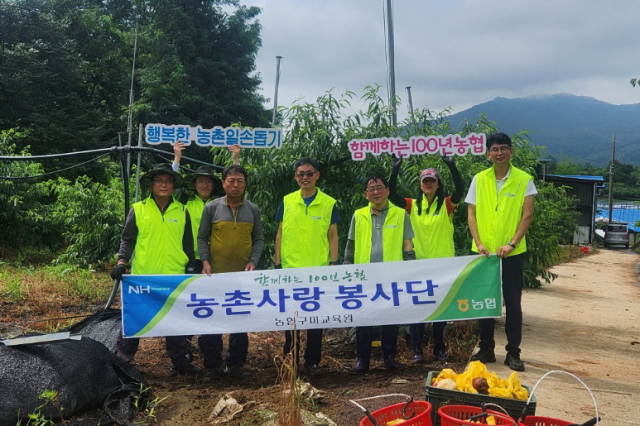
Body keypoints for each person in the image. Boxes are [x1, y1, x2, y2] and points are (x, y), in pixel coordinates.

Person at [111, 163, 199, 375]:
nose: (163, 185)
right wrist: (122, 262)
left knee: (176, 320)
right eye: (159, 181)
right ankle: (121, 362)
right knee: (135, 318)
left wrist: (190, 264)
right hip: (144, 276)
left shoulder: (183, 210)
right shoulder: (139, 209)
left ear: (174, 185)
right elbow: (127, 239)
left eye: (168, 181)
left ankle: (180, 362)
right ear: (151, 185)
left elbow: (187, 243)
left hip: (173, 275)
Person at [465, 132, 537, 372]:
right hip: (484, 253)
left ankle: (513, 352)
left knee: (513, 303)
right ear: (488, 153)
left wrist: (512, 243)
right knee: (484, 302)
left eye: (503, 148)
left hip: (512, 253)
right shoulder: (479, 179)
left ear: (511, 152)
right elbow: (471, 214)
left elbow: (527, 215)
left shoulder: (524, 180)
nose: (499, 153)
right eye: (494, 149)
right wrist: (479, 243)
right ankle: (486, 348)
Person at [388, 155, 464, 363]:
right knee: (417, 309)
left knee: (441, 311)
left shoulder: (447, 204)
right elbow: (392, 194)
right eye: (425, 181)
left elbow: (460, 189)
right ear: (420, 185)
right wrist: (396, 168)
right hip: (419, 265)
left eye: (432, 180)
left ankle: (439, 349)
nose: (429, 183)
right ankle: (417, 351)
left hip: (443, 265)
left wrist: (451, 165)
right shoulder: (411, 205)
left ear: (438, 184)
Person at [196, 164, 264, 382]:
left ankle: (235, 364)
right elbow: (202, 237)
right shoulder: (212, 208)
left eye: (240, 181)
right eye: (231, 181)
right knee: (211, 320)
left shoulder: (253, 209)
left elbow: (259, 239)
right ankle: (212, 366)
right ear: (223, 183)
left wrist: (254, 261)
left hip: (242, 277)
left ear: (245, 183)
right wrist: (205, 261)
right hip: (214, 276)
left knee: (240, 321)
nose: (235, 185)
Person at [274, 157, 340, 374]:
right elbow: (280, 232)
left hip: (317, 270)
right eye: (301, 174)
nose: (305, 177)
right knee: (290, 317)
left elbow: (333, 235)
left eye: (309, 173)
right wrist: (277, 262)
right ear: (295, 176)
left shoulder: (329, 203)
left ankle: (312, 361)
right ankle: (289, 358)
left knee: (314, 318)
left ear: (317, 175)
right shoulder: (287, 200)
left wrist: (333, 262)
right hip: (291, 269)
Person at [344, 173, 415, 373]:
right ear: (366, 194)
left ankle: (389, 357)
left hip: (392, 274)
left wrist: (409, 268)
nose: (376, 192)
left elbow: (407, 244)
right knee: (364, 316)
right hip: (364, 275)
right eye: (371, 189)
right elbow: (351, 244)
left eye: (380, 187)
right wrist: (348, 268)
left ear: (387, 190)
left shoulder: (401, 214)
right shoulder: (358, 215)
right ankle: (362, 360)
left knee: (390, 317)